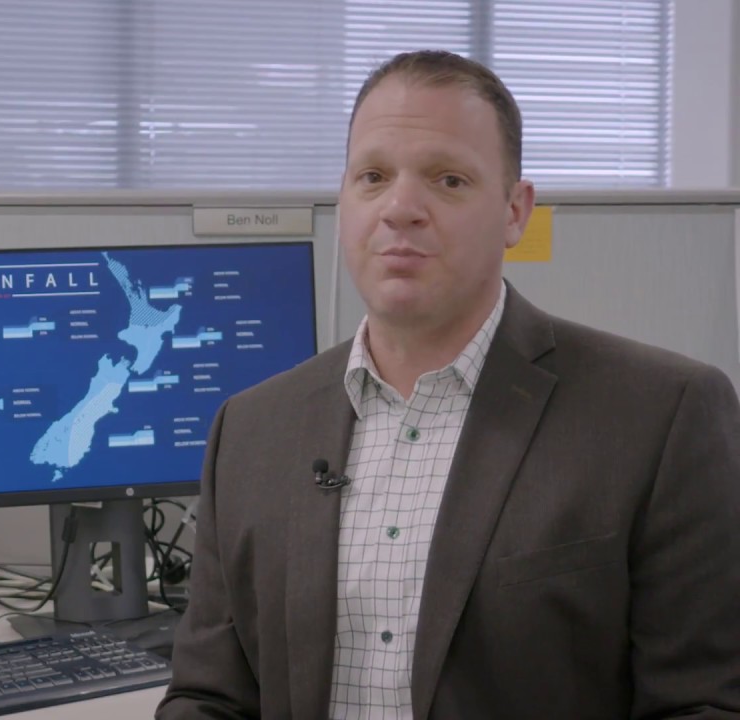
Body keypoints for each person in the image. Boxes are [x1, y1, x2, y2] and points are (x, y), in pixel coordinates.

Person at [156, 50, 740, 719]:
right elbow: (209, 697)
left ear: (515, 211)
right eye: (373, 177)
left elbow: (702, 705)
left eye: (449, 179)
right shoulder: (252, 430)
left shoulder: (661, 417)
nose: (400, 208)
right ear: (344, 200)